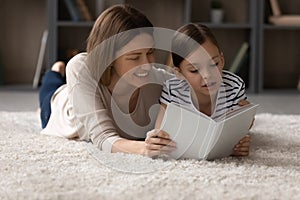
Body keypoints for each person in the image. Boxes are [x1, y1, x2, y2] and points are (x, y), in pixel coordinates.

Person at [39, 4, 176, 158]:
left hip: (78, 92)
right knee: (49, 89)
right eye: (134, 57)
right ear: (109, 57)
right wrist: (144, 148)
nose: (147, 65)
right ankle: (56, 70)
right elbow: (103, 138)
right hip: (59, 110)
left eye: (150, 52)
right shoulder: (82, 67)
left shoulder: (159, 79)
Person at [155, 23, 252, 156]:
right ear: (179, 73)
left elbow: (240, 130)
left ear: (222, 60)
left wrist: (245, 129)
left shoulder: (234, 86)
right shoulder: (173, 90)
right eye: (194, 70)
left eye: (214, 64)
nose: (207, 75)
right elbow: (160, 130)